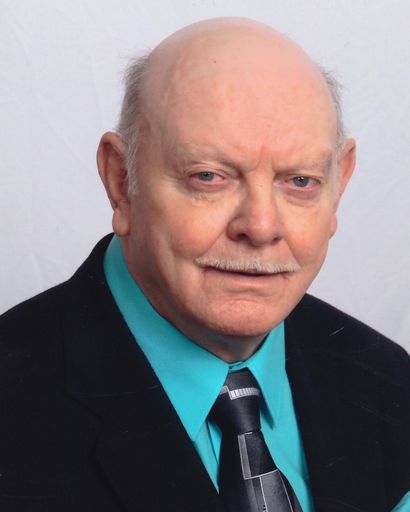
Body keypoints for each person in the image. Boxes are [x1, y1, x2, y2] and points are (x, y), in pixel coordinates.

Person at [0, 17, 409, 512]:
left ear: (338, 185)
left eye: (300, 182)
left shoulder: (391, 383)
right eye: (209, 177)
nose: (261, 226)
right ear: (120, 180)